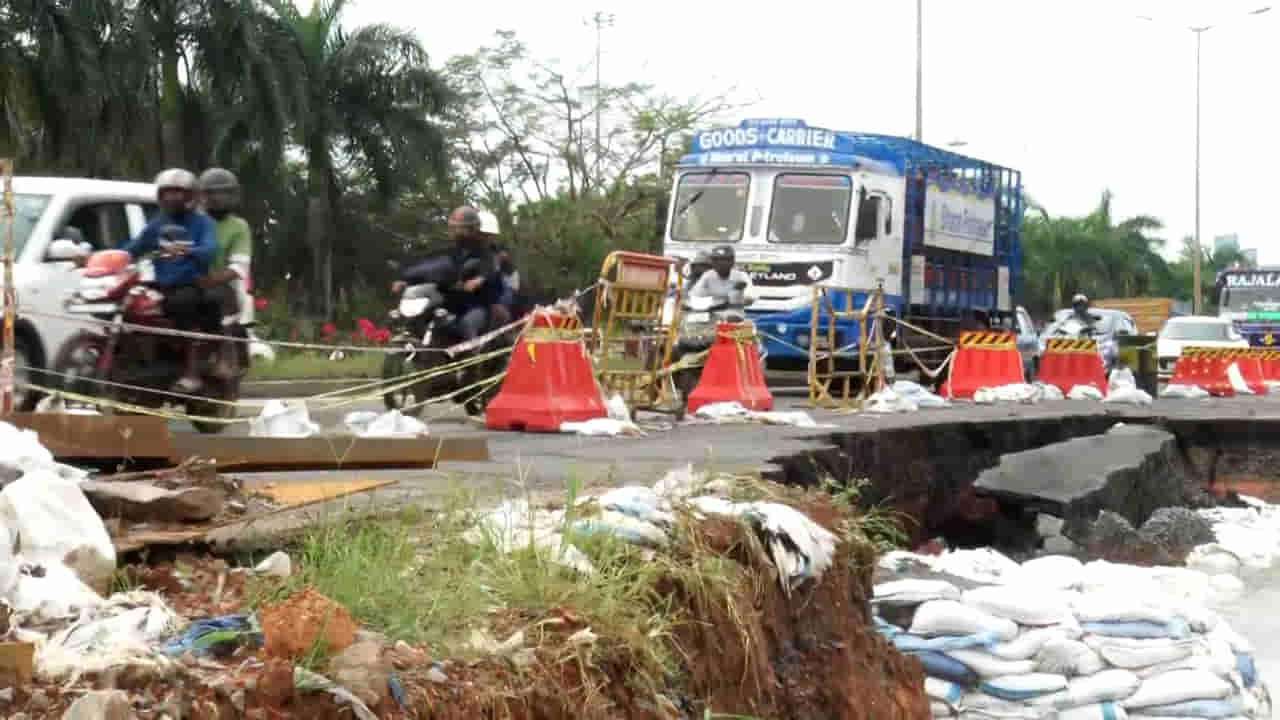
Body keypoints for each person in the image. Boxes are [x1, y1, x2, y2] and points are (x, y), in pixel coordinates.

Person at [120, 168, 217, 392]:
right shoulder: (157, 224)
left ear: (190, 195)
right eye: (167, 192)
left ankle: (192, 372)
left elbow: (209, 249)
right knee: (131, 304)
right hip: (161, 285)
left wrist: (189, 250)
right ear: (160, 195)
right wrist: (101, 256)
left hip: (189, 284)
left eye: (178, 192)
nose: (172, 197)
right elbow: (133, 248)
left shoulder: (202, 223)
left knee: (182, 304)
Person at [394, 206, 500, 341]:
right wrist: (406, 280)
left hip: (474, 304)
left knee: (466, 326)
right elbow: (430, 267)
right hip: (449, 300)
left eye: (461, 229)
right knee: (418, 309)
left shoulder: (487, 256)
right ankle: (410, 335)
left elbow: (490, 271)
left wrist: (479, 280)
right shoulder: (451, 252)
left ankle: (470, 353)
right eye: (454, 228)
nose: (457, 232)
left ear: (473, 230)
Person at [197, 167, 252, 379]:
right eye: (212, 193)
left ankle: (226, 357)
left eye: (223, 193)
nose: (217, 198)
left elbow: (239, 266)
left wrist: (210, 280)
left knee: (222, 304)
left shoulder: (239, 226)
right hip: (190, 283)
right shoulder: (194, 221)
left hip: (225, 285)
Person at [477, 209, 517, 327]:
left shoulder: (495, 251)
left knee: (498, 308)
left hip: (507, 282)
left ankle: (499, 326)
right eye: (482, 234)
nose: (485, 238)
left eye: (487, 235)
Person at [689, 245, 753, 307]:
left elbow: (750, 296)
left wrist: (744, 298)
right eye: (716, 260)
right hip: (712, 310)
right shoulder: (708, 275)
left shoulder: (741, 276)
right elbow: (695, 294)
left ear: (732, 261)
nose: (720, 263)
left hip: (735, 310)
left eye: (724, 260)